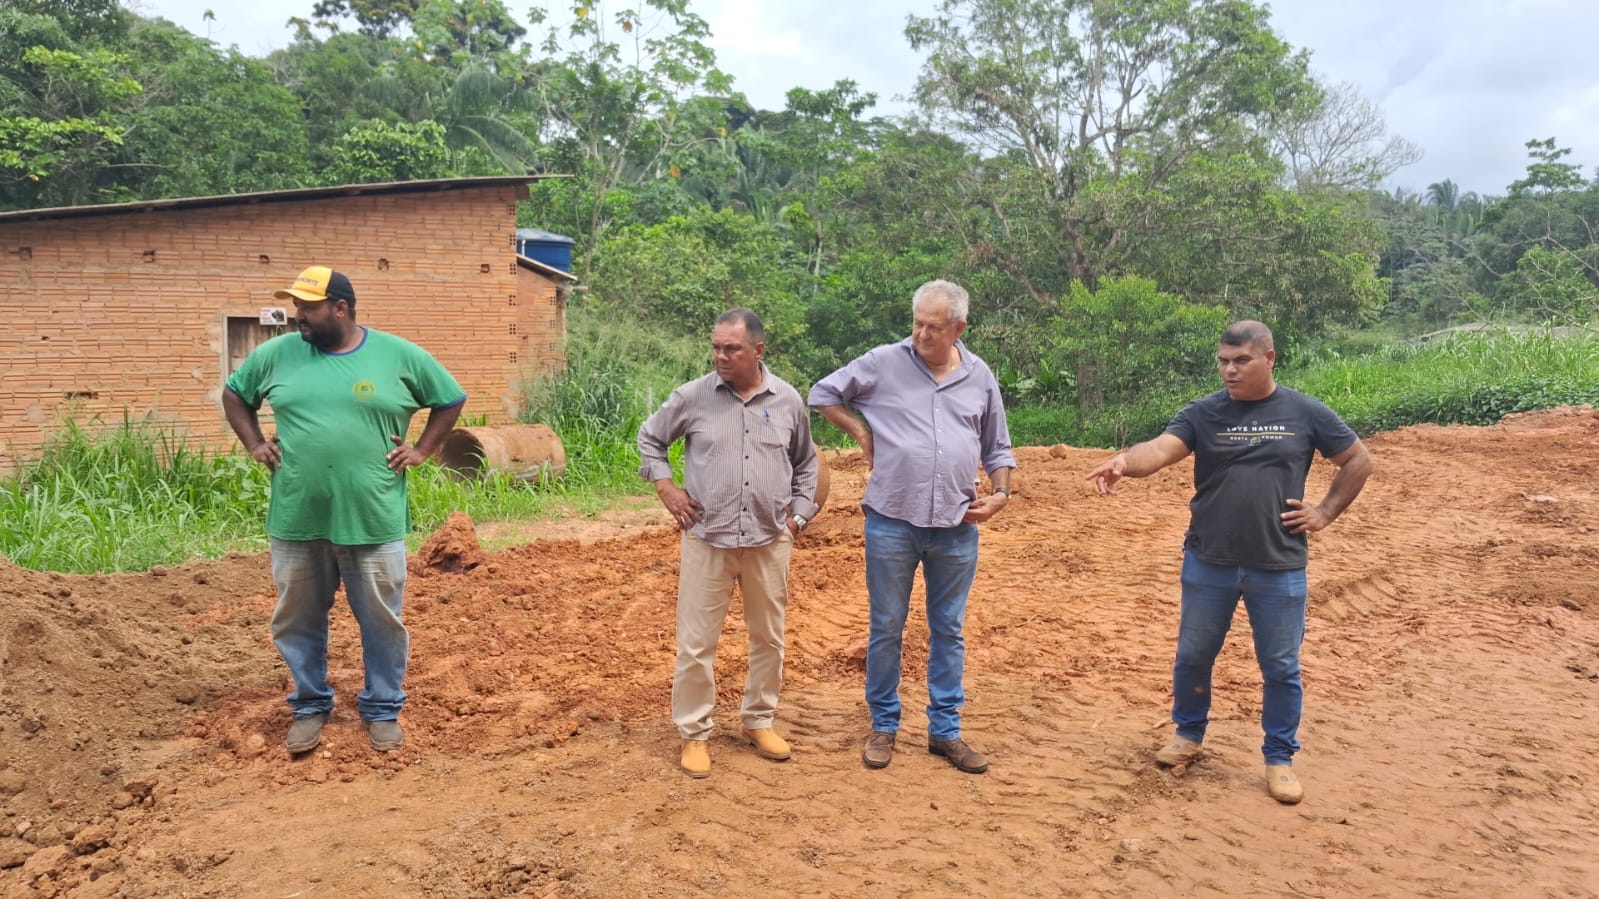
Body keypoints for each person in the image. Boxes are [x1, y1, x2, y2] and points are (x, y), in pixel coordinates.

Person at [1085, 320, 1373, 804]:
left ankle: (1279, 758)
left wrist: (1324, 512)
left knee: (1280, 665)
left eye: (1241, 360)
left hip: (1277, 564)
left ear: (1269, 358)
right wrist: (1123, 462)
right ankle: (1189, 735)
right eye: (1223, 360)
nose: (1229, 370)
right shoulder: (1204, 413)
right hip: (1209, 560)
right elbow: (1159, 449)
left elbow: (1358, 460)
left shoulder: (1304, 412)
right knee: (1194, 655)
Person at [223, 265, 465, 755]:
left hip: (372, 516)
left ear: (340, 308)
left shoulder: (396, 355)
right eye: (297, 307)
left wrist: (420, 451)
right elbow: (234, 395)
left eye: (309, 308)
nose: (299, 318)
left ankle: (382, 708)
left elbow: (450, 399)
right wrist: (253, 444)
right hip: (298, 516)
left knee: (380, 619)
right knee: (297, 618)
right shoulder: (276, 355)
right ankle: (310, 705)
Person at [808, 279, 1015, 775]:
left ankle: (945, 732)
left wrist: (1002, 494)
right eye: (917, 322)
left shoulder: (980, 375)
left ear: (959, 328)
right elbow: (823, 393)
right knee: (885, 628)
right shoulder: (884, 361)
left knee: (949, 629)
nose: (921, 334)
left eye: (934, 326)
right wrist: (861, 430)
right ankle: (884, 725)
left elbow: (998, 446)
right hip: (892, 522)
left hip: (956, 525)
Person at [637, 308, 820, 778]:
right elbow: (650, 440)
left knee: (768, 638)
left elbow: (807, 462)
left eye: (731, 348)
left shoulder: (786, 401)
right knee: (696, 644)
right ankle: (695, 734)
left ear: (758, 351)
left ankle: (759, 720)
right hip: (707, 540)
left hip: (768, 540)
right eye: (716, 347)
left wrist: (798, 517)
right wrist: (666, 488)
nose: (720, 356)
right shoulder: (693, 396)